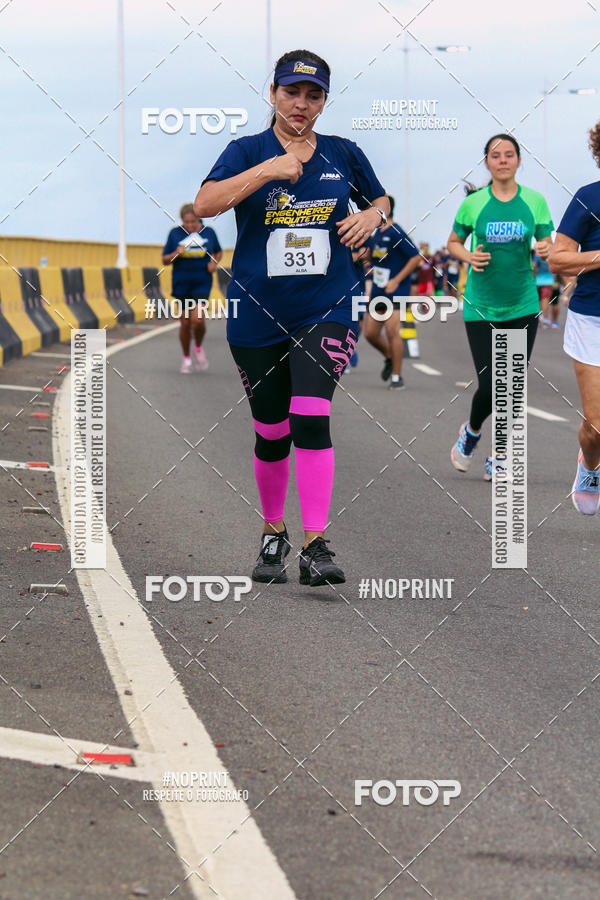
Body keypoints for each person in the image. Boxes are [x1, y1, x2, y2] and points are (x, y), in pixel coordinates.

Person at [195, 49, 389, 584]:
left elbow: (381, 198)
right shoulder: (245, 149)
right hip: (256, 309)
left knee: (310, 414)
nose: (301, 104)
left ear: (325, 100)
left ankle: (316, 543)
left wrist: (372, 215)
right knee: (271, 430)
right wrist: (266, 171)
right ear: (273, 93)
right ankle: (273, 531)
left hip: (327, 304)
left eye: (313, 95)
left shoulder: (343, 153)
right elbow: (206, 203)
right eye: (291, 92)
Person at [447, 134, 554, 479]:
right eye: (496, 155)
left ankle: (500, 453)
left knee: (512, 385)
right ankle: (472, 431)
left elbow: (547, 241)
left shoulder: (534, 201)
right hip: (480, 306)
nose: (503, 160)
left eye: (509, 155)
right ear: (487, 162)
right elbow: (453, 243)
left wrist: (544, 249)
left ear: (519, 161)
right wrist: (468, 255)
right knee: (491, 383)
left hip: (522, 304)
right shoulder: (474, 204)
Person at [549, 120, 600, 515]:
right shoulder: (588, 198)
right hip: (592, 319)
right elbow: (558, 257)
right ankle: (590, 463)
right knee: (597, 425)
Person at [363, 195, 421, 388]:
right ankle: (389, 356)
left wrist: (396, 280)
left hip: (397, 290)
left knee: (391, 331)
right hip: (379, 290)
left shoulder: (396, 232)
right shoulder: (377, 234)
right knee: (370, 334)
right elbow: (374, 257)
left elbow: (415, 258)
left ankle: (397, 376)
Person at [162, 204, 222, 373]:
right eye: (186, 222)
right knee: (185, 322)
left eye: (193, 222)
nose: (189, 225)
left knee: (197, 320)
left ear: (199, 219)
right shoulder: (175, 233)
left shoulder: (209, 232)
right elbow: (164, 260)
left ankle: (198, 346)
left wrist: (214, 263)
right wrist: (176, 253)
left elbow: (218, 251)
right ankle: (186, 358)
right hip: (182, 284)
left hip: (202, 282)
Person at [533, 249, 558, 327]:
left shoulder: (538, 254)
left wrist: (533, 276)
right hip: (549, 281)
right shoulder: (553, 253)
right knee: (545, 300)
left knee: (540, 300)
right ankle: (546, 318)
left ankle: (543, 316)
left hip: (538, 281)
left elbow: (533, 266)